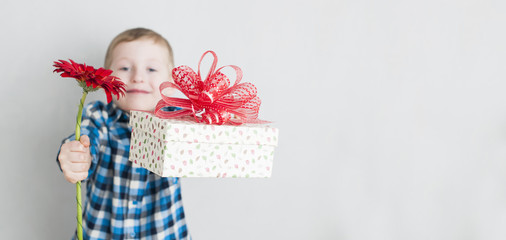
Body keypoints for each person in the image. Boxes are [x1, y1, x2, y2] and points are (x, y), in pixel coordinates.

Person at [57, 28, 189, 239]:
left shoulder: (179, 123)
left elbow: (209, 134)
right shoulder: (99, 117)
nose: (137, 77)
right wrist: (76, 155)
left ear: (172, 83)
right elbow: (85, 137)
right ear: (105, 79)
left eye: (152, 69)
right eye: (125, 67)